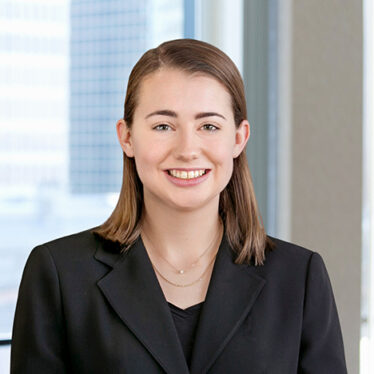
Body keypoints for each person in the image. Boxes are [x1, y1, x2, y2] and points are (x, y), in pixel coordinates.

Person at [10, 39, 347, 373]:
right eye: (163, 126)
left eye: (209, 126)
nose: (187, 149)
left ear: (239, 138)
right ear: (126, 137)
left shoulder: (299, 278)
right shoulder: (58, 275)